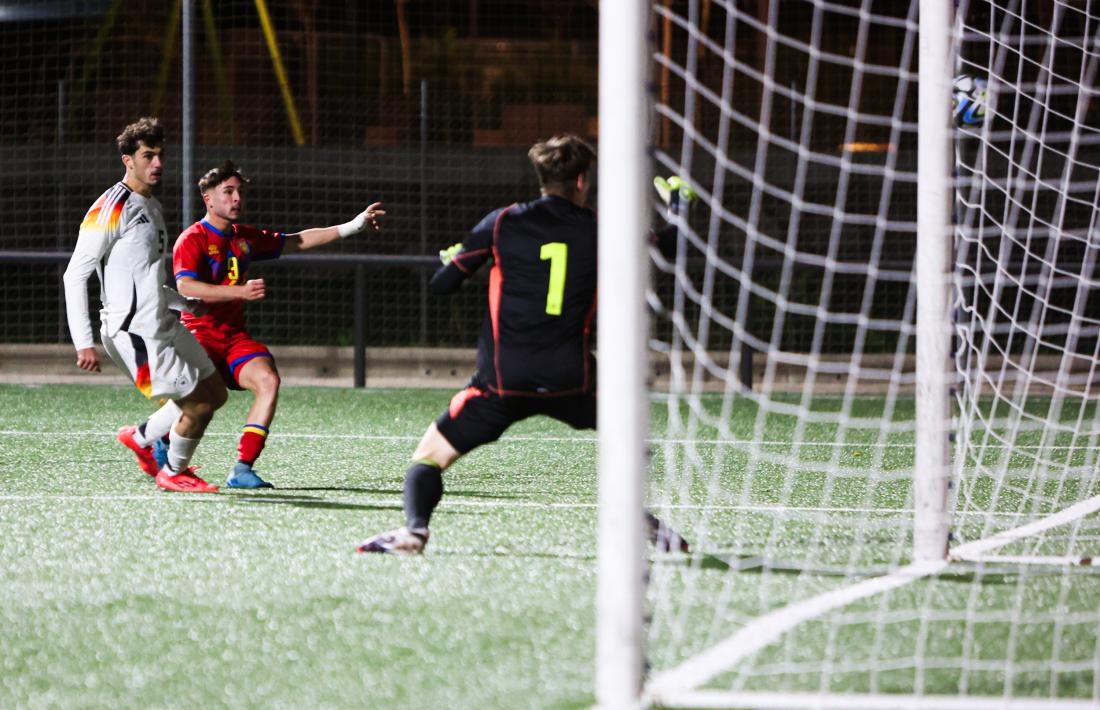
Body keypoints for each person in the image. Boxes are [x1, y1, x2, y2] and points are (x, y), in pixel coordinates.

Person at [357, 134, 688, 555]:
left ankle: (414, 532)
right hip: (573, 378)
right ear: (583, 181)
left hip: (502, 381)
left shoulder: (500, 223)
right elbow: (669, 250)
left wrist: (458, 257)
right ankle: (640, 519)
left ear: (540, 177)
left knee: (427, 458)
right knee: (629, 434)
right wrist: (679, 208)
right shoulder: (605, 228)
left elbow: (442, 286)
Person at [141, 159, 383, 489]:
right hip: (199, 336)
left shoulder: (245, 238)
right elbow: (186, 288)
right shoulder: (192, 239)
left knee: (268, 380)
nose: (237, 198)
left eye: (240, 191)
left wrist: (353, 226)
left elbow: (297, 240)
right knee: (202, 401)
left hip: (234, 338)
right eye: (228, 192)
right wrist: (239, 291)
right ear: (208, 199)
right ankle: (154, 438)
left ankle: (241, 469)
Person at [63, 117, 226, 493]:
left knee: (215, 391)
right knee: (198, 406)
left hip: (163, 322)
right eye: (148, 156)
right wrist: (82, 341)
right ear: (127, 160)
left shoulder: (150, 206)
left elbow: (144, 277)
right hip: (133, 332)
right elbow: (75, 275)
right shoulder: (111, 207)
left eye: (160, 155)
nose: (157, 164)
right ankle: (173, 471)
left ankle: (141, 438)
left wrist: (184, 303)